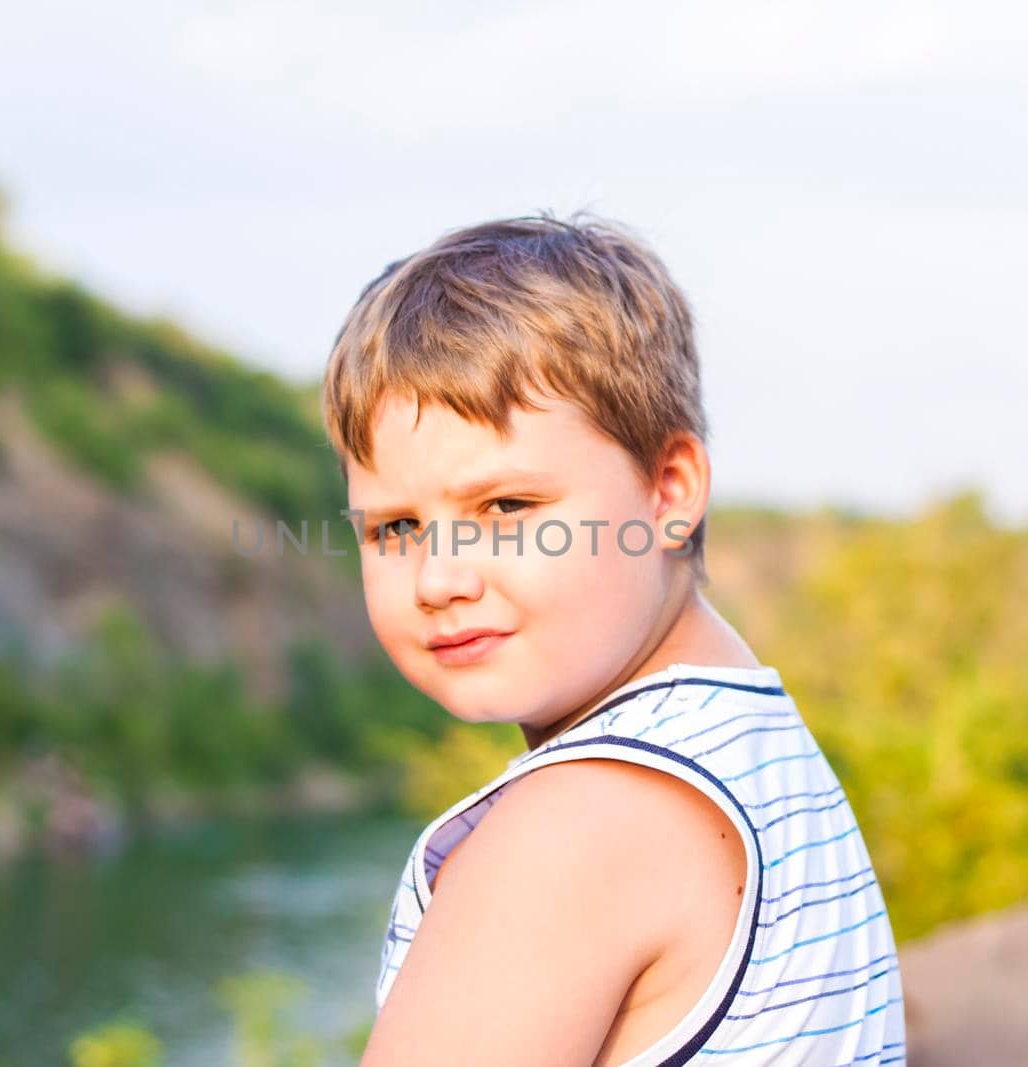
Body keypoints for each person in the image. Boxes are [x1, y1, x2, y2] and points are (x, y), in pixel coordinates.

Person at [319, 211, 907, 1066]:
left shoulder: (573, 834)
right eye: (397, 528)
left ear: (669, 491)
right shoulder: (751, 741)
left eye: (508, 509)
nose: (440, 578)